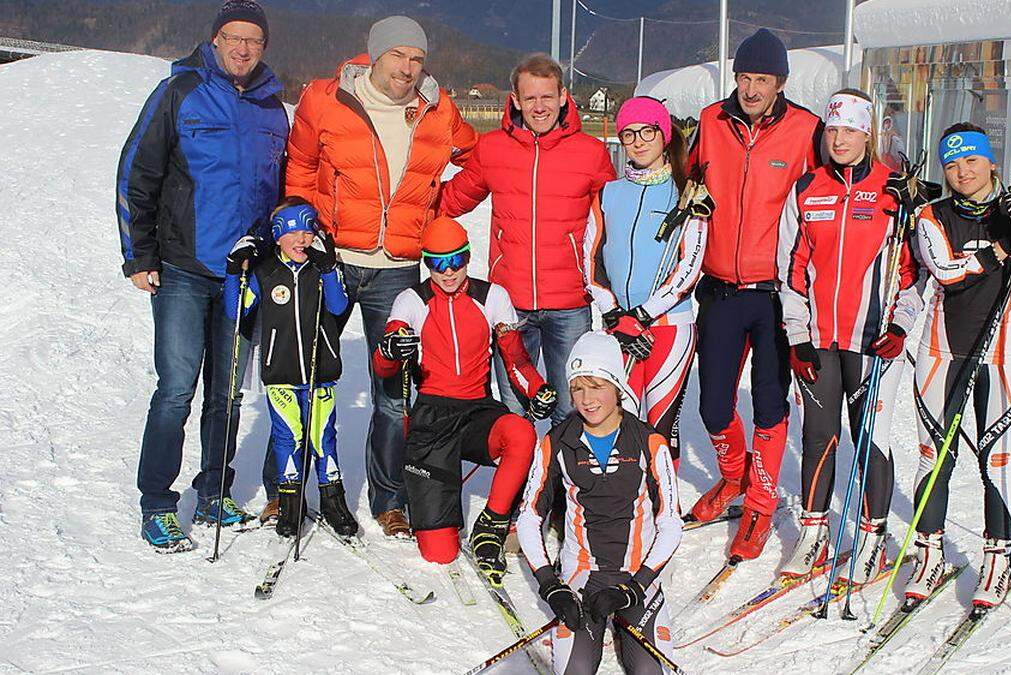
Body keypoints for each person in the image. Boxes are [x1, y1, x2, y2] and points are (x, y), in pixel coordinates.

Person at [285, 16, 479, 537]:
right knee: (303, 378)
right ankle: (290, 489)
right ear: (374, 56)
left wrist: (437, 210)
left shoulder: (438, 111)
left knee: (393, 396)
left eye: (417, 59)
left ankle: (388, 499)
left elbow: (476, 156)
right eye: (398, 56)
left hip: (396, 272)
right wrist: (301, 228)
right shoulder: (326, 100)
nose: (408, 68)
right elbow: (300, 166)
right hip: (332, 260)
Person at [117, 0, 288, 552]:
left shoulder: (271, 107)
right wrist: (139, 255)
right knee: (176, 390)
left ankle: (215, 491)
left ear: (264, 47)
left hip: (244, 274)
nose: (243, 49)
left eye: (254, 41)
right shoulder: (180, 92)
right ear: (215, 40)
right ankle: (158, 503)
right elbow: (137, 173)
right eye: (233, 39)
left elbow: (279, 189)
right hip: (184, 269)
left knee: (228, 396)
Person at [777, 89, 929, 585]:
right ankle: (814, 531)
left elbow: (914, 273)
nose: (839, 140)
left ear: (868, 133)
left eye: (849, 131)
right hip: (819, 339)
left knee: (870, 440)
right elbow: (791, 270)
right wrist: (797, 335)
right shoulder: (806, 190)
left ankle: (872, 534)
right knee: (818, 436)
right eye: (832, 130)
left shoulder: (894, 192)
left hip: (872, 342)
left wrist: (901, 325)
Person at [684, 28, 824, 561]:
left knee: (768, 403)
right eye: (744, 78)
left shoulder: (806, 129)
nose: (750, 88)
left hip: (773, 294)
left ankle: (762, 501)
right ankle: (733, 478)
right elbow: (683, 178)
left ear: (780, 82)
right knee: (714, 404)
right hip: (719, 287)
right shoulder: (711, 122)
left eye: (761, 79)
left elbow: (833, 191)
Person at [903, 124, 1011, 610]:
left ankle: (998, 557)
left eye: (971, 161)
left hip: (1001, 356)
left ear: (991, 162)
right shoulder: (932, 215)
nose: (962, 172)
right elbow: (948, 274)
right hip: (942, 354)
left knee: (998, 460)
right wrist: (1004, 247)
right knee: (934, 457)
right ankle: (929, 553)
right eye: (952, 164)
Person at [371, 217, 556, 580]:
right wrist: (390, 350)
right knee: (440, 554)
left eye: (456, 260)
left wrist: (538, 389)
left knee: (520, 432)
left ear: (468, 257)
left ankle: (492, 523)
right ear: (427, 264)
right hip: (432, 417)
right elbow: (385, 365)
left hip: (476, 409)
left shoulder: (492, 296)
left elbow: (515, 358)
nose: (449, 271)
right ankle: (438, 514)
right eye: (438, 263)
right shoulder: (412, 300)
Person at [439, 53, 615, 425]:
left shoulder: (592, 153)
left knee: (570, 408)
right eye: (530, 98)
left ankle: (561, 484)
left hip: (570, 302)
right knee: (514, 409)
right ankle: (518, 484)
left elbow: (616, 221)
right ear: (515, 100)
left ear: (563, 96)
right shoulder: (492, 149)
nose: (540, 107)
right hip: (510, 304)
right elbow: (451, 200)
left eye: (547, 97)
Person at [517, 331, 683, 675]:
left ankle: (625, 633)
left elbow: (670, 524)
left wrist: (634, 588)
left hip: (637, 576)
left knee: (651, 673)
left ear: (618, 387)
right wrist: (551, 586)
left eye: (596, 386)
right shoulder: (556, 442)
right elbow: (529, 519)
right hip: (581, 576)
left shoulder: (649, 442)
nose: (586, 399)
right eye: (577, 388)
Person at [223, 199, 358, 538]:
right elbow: (236, 311)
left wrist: (328, 268)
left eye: (308, 229)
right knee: (289, 438)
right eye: (293, 232)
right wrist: (233, 271)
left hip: (320, 373)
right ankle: (290, 503)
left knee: (322, 438)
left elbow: (339, 306)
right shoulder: (266, 273)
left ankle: (333, 502)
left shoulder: (322, 268)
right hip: (280, 374)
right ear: (278, 236)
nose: (302, 239)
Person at [584, 96, 707, 463]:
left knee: (660, 424)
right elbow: (590, 256)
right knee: (620, 418)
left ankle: (662, 510)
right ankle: (627, 505)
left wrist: (643, 314)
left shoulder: (687, 194)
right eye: (628, 134)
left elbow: (689, 265)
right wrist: (612, 311)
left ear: (664, 134)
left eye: (647, 131)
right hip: (619, 327)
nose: (638, 141)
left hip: (668, 327)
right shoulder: (609, 193)